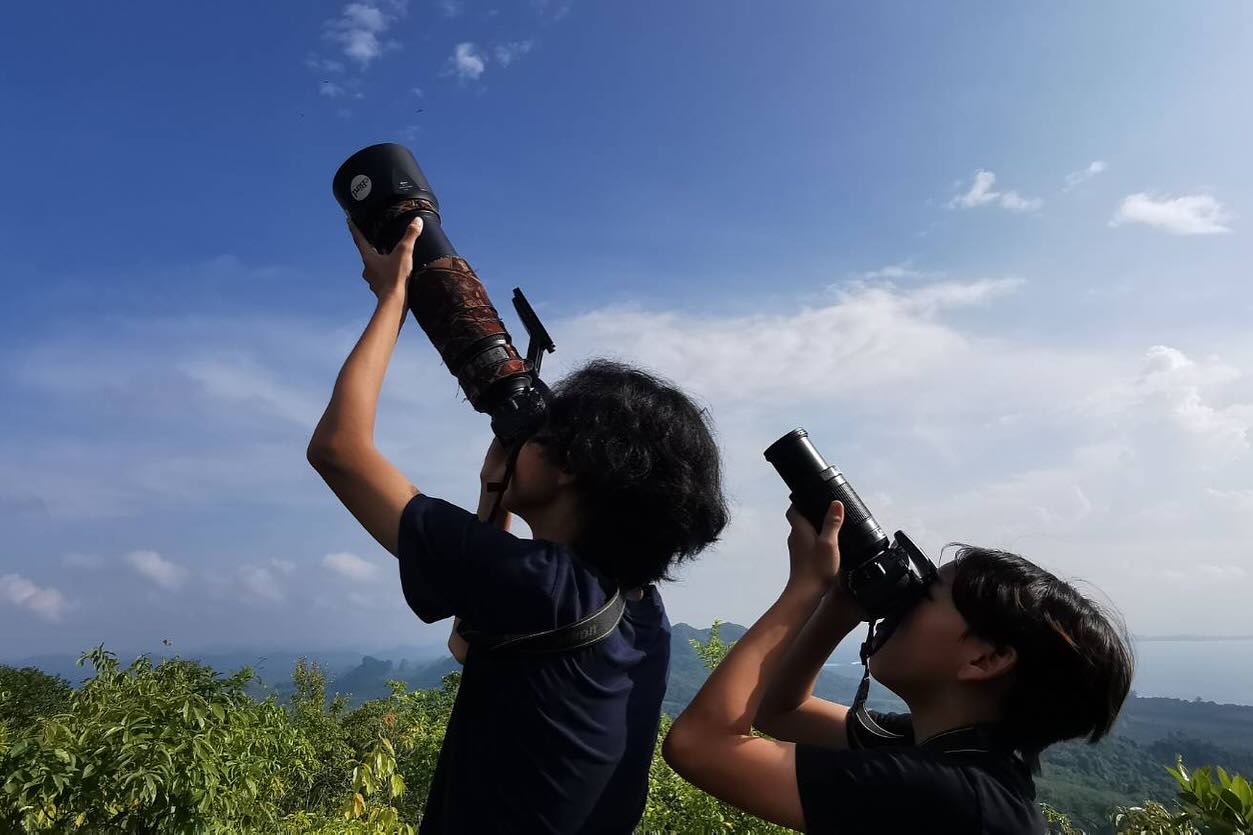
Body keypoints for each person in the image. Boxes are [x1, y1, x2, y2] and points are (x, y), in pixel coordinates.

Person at [306, 217, 729, 833]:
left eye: (543, 436)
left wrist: (393, 299)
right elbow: (469, 641)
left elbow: (338, 451)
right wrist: (493, 491)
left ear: (572, 470)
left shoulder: (545, 591)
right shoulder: (637, 608)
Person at [663, 500, 1134, 834]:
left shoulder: (948, 796)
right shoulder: (953, 756)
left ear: (985, 658)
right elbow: (779, 712)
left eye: (925, 596)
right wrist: (839, 606)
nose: (902, 606)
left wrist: (803, 589)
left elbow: (698, 745)